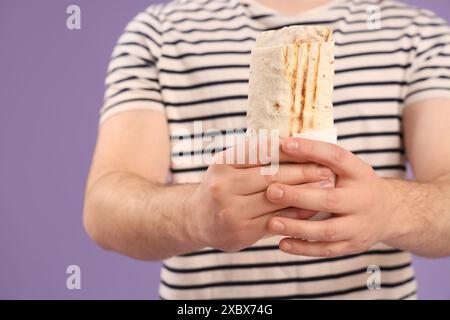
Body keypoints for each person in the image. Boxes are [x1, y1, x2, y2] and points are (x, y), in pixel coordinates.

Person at [83, 0, 450, 299]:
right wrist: (193, 216)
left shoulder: (421, 36)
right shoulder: (159, 33)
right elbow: (104, 208)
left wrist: (390, 208)